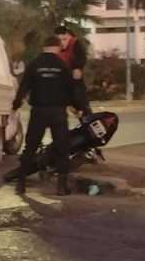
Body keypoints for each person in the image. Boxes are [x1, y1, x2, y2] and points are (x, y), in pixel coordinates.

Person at [12, 36, 84, 196]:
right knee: (62, 148)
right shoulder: (62, 65)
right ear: (57, 47)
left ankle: (21, 184)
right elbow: (71, 89)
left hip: (38, 111)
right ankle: (61, 187)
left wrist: (16, 105)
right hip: (58, 112)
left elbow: (23, 87)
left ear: (43, 47)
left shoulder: (34, 64)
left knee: (30, 147)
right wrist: (77, 107)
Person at [54, 26, 93, 116]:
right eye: (59, 40)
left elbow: (82, 57)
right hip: (61, 80)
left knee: (81, 104)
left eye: (64, 39)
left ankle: (87, 118)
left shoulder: (75, 43)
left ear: (69, 36)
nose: (62, 43)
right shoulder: (54, 47)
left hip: (74, 79)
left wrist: (77, 68)